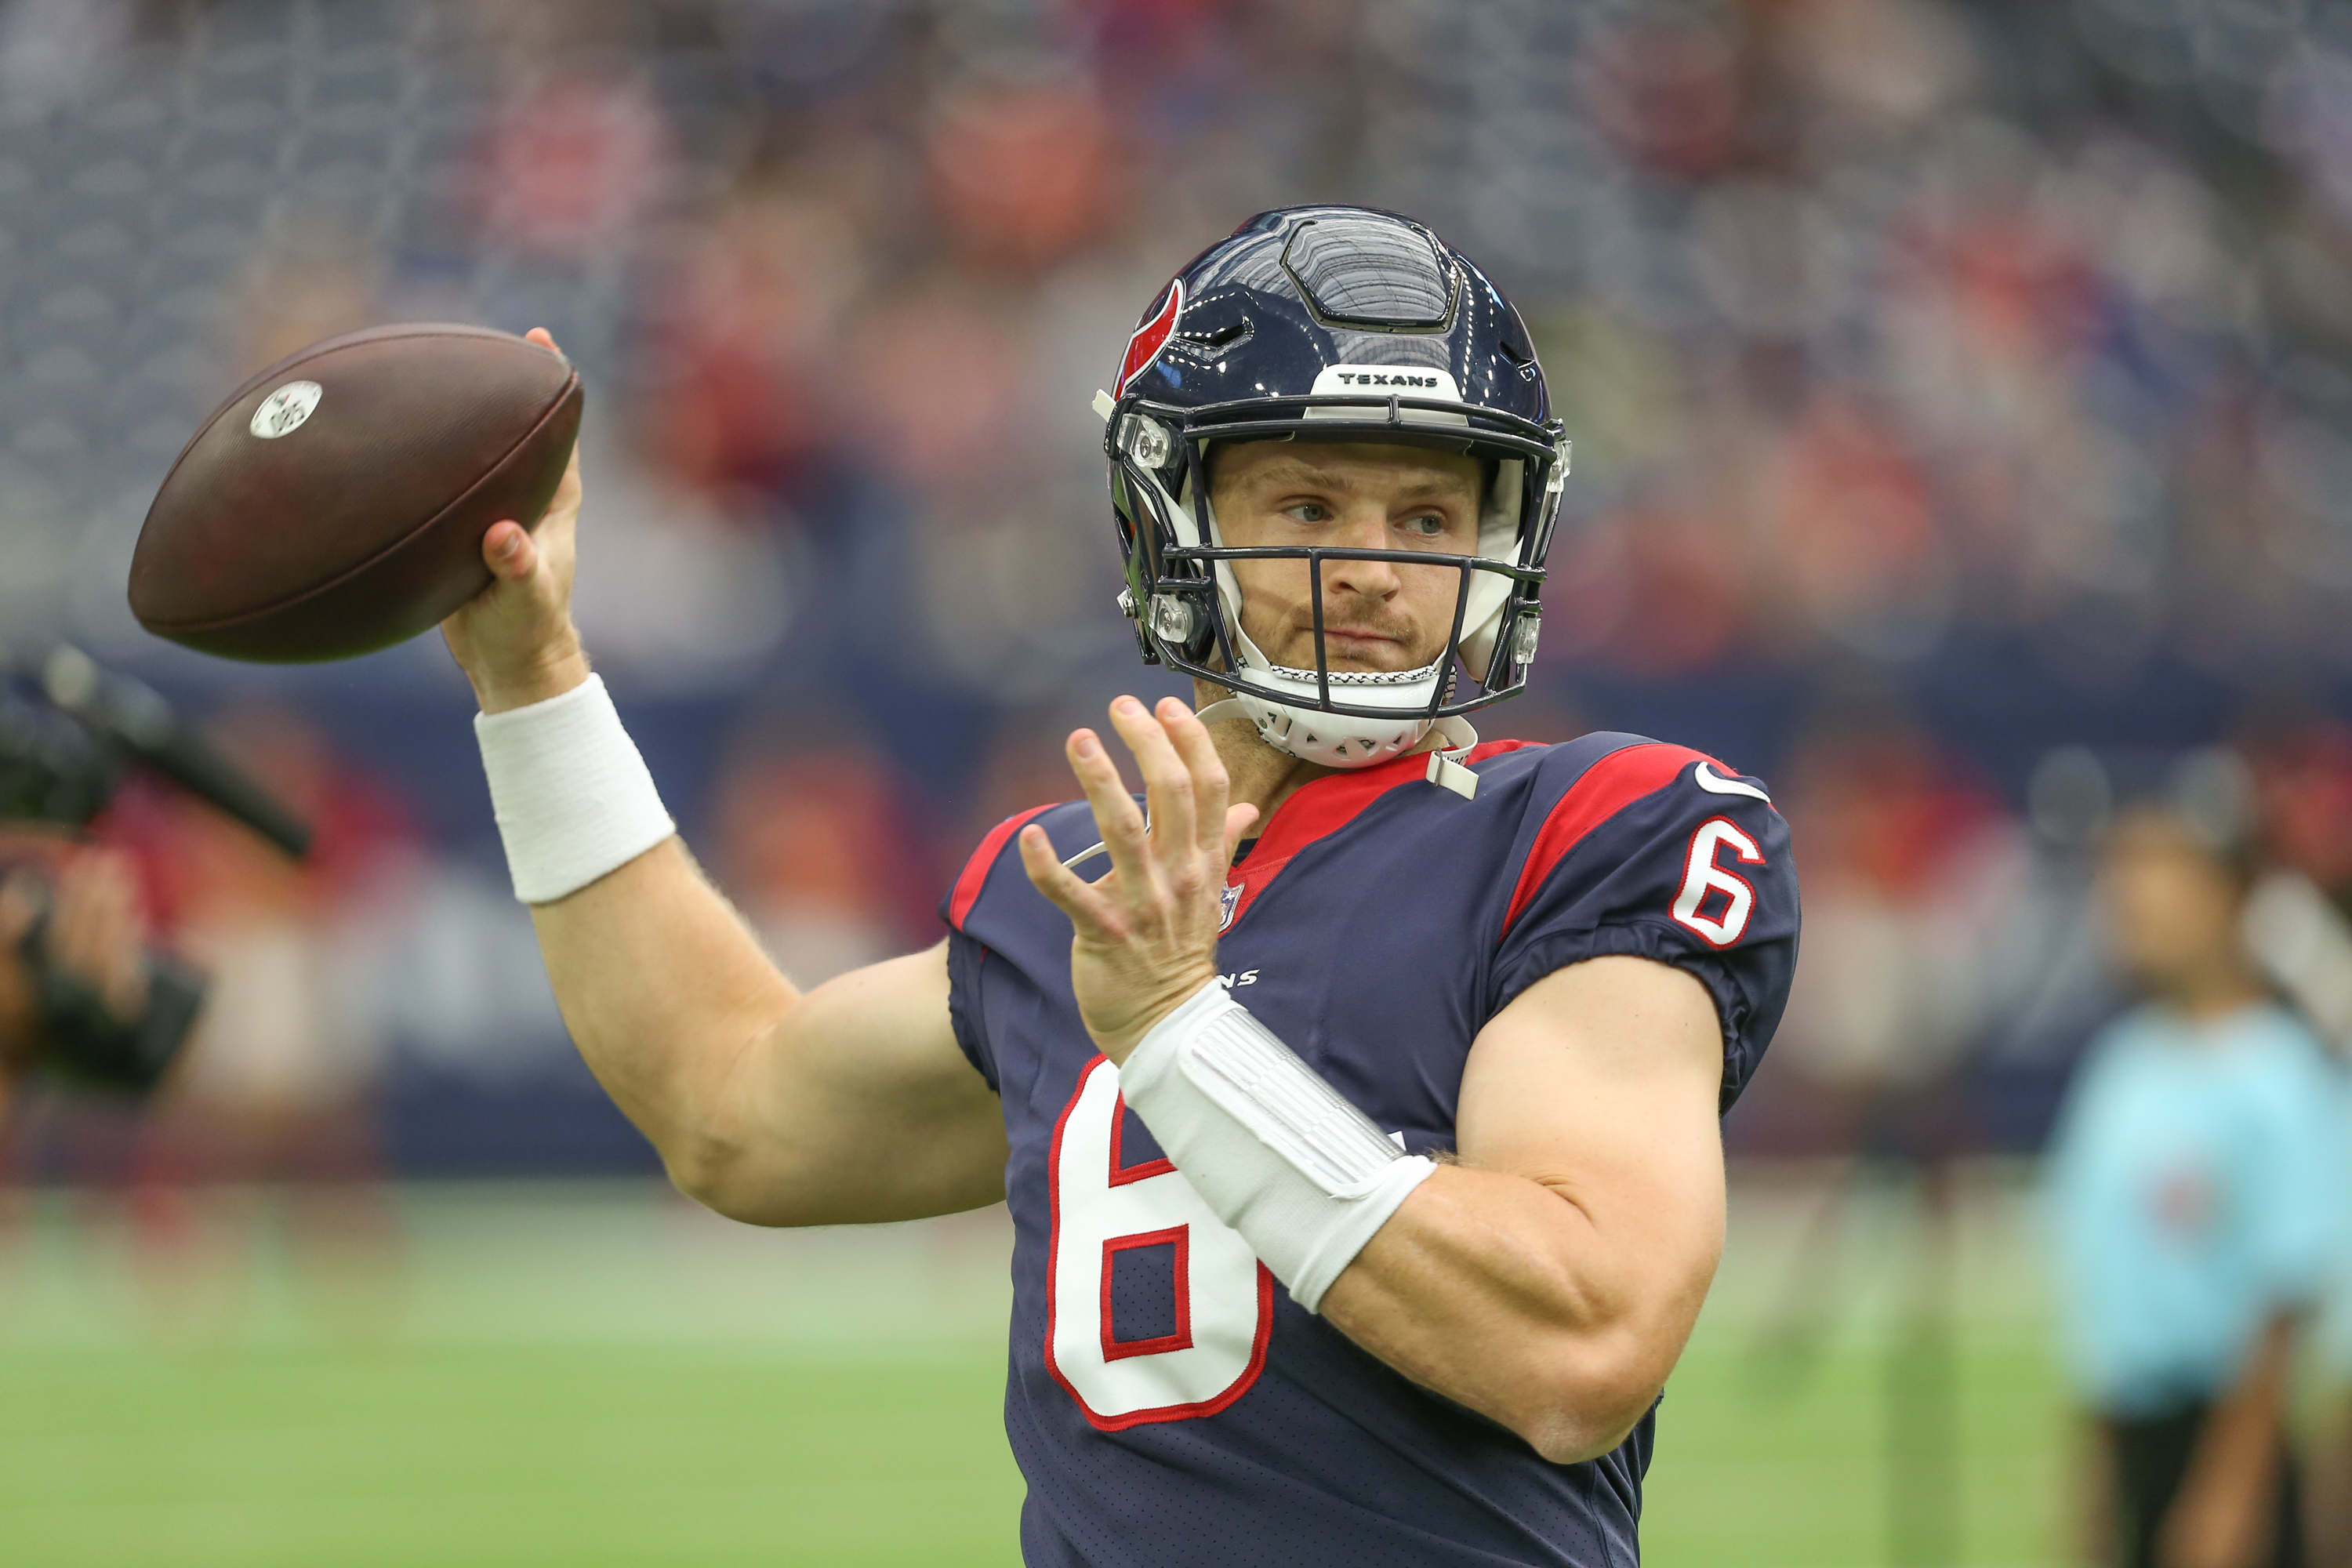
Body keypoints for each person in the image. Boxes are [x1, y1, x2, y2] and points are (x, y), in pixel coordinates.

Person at [442, 206, 1800, 1565]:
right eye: (1311, 506)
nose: (1380, 568)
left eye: (1431, 514)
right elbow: (727, 1106)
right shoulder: (1082, 895)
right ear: (1176, 512)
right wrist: (532, 678)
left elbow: (1580, 1340)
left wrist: (1176, 1034)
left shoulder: (1588, 831)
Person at [2046, 789, 2345, 1568]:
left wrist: (2230, 1494)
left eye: (2161, 876)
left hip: (2228, 1436)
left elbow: (2288, 1297)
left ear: (2230, 895)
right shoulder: (2121, 1065)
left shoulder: (2279, 1071)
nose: (2133, 902)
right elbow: (2105, 1302)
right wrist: (2096, 1487)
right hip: (2137, 1428)